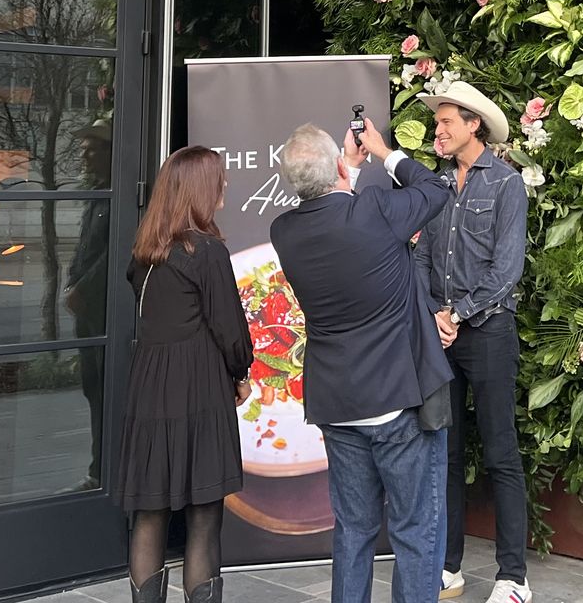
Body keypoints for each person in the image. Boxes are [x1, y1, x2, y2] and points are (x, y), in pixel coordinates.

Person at [271, 122, 454, 603]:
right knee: (415, 530)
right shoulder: (373, 210)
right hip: (395, 397)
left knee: (353, 530)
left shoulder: (284, 232)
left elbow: (329, 209)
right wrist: (383, 152)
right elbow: (436, 186)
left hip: (336, 403)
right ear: (335, 167)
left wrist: (346, 166)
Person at [114, 146, 253, 603]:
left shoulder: (145, 251)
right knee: (203, 515)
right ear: (199, 189)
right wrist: (241, 374)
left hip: (149, 385)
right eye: (220, 178)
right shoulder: (208, 250)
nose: (226, 185)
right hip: (199, 386)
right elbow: (230, 329)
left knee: (149, 512)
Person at [414, 83, 531, 603]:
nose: (437, 131)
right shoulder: (436, 189)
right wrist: (432, 316)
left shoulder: (506, 186)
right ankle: (449, 567)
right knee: (446, 452)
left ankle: (513, 578)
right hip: (442, 336)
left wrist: (456, 313)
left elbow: (507, 271)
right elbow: (419, 260)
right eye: (438, 123)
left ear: (472, 125)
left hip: (488, 335)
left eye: (445, 123)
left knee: (501, 453)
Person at [67, 120, 114, 491]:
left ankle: (104, 472)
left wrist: (82, 288)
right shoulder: (98, 194)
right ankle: (99, 469)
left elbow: (111, 254)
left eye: (92, 147)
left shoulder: (114, 196)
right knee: (92, 390)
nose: (85, 153)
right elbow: (85, 250)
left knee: (105, 392)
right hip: (89, 315)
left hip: (105, 314)